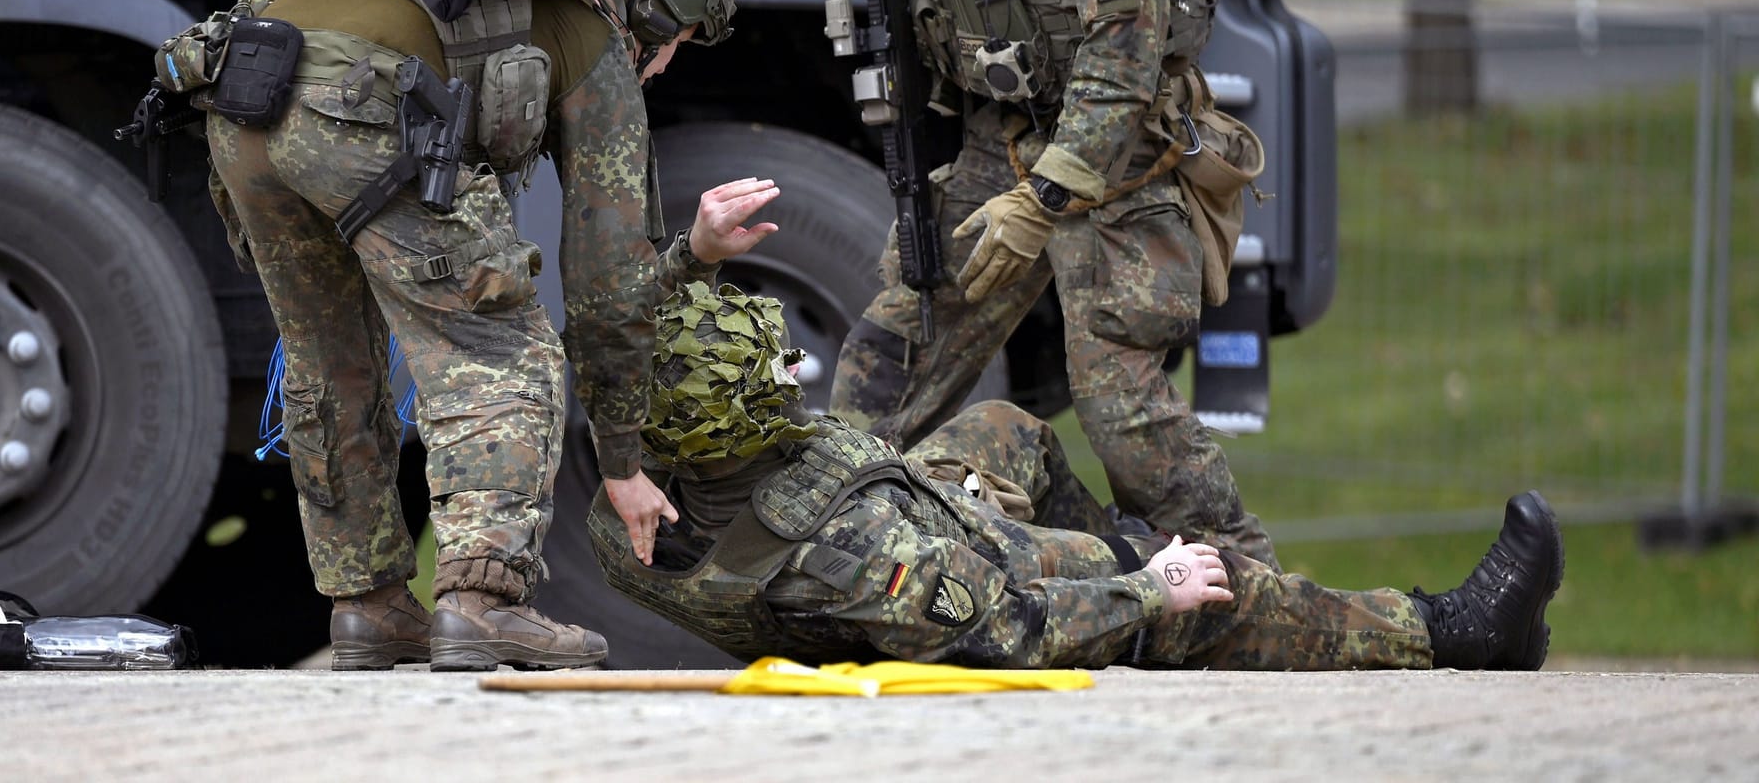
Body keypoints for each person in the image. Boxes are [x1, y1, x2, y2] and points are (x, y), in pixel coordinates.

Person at [201, 0, 771, 671]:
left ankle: (367, 607)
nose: (668, 63)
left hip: (242, 102)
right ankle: (483, 601)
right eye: (681, 41)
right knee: (500, 355)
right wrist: (621, 461)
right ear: (657, 7)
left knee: (330, 362)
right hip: (358, 108)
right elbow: (608, 286)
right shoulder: (593, 30)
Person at [817, 0, 1278, 567]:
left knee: (1120, 400)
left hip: (1121, 157)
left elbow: (1121, 70)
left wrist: (1042, 201)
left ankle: (1242, 585)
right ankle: (834, 540)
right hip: (1003, 138)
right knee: (896, 347)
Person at [589, 284, 1565, 672]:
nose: (790, 372)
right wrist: (1145, 588)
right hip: (950, 583)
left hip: (895, 513)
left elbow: (625, 361)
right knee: (1214, 590)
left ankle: (1118, 557)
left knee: (1005, 429)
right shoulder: (855, 560)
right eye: (766, 377)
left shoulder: (624, 500)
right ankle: (1449, 631)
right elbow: (1013, 627)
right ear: (727, 427)